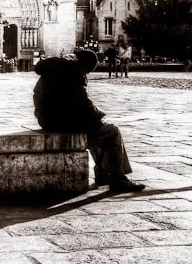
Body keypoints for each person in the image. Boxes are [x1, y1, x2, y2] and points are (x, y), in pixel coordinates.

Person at [33, 48, 145, 193]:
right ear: (85, 67)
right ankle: (118, 179)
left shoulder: (56, 68)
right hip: (60, 122)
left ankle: (103, 173)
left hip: (47, 119)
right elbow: (84, 107)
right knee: (111, 131)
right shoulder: (72, 74)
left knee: (95, 127)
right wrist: (99, 115)